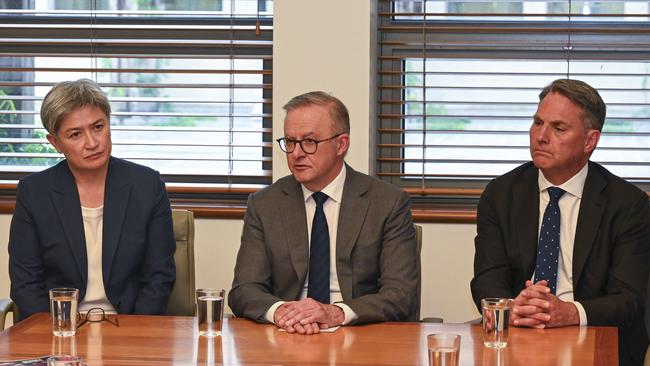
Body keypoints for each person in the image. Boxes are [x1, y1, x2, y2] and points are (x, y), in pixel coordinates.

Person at [471, 79, 650, 366]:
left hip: (593, 339)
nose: (541, 136)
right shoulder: (501, 194)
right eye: (537, 122)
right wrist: (513, 307)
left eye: (558, 128)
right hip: (518, 335)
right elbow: (487, 278)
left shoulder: (629, 205)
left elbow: (628, 299)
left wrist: (570, 312)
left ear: (590, 141)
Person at [228, 91, 418, 334]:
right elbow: (244, 289)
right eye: (290, 142)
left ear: (341, 144)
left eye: (309, 142)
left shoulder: (387, 203)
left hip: (358, 334)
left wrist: (335, 312)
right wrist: (281, 311)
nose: (296, 153)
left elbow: (401, 294)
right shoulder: (266, 204)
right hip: (288, 333)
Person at [9, 79, 176, 321]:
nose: (92, 143)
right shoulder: (34, 193)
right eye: (75, 134)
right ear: (55, 143)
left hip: (129, 325)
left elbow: (159, 278)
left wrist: (134, 331)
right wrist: (60, 333)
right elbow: (26, 285)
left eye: (98, 127)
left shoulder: (147, 186)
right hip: (59, 328)